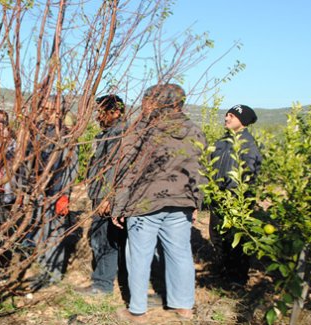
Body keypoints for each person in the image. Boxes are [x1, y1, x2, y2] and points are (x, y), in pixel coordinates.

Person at [111, 83, 205, 322]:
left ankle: (138, 310)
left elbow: (126, 169)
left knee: (139, 256)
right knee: (180, 253)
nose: (144, 104)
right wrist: (196, 202)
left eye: (147, 100)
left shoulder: (143, 129)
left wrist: (119, 205)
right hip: (181, 201)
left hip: (144, 202)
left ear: (156, 102)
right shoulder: (194, 130)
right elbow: (199, 170)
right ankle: (183, 307)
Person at [76, 95, 127, 296]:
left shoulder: (119, 135)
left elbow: (114, 169)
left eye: (101, 111)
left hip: (107, 198)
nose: (98, 116)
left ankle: (102, 285)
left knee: (105, 240)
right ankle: (109, 280)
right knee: (106, 239)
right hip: (102, 195)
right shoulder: (107, 134)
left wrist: (107, 197)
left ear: (115, 112)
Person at [26, 95, 77, 288]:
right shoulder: (39, 132)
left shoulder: (66, 135)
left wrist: (64, 194)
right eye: (45, 108)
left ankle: (52, 276)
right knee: (40, 232)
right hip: (39, 191)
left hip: (56, 192)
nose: (48, 112)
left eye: (52, 109)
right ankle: (43, 271)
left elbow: (71, 166)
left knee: (54, 234)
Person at [209, 104, 262, 285]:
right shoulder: (221, 142)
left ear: (243, 121)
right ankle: (223, 272)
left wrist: (239, 197)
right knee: (217, 235)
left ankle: (237, 278)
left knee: (236, 238)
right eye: (226, 115)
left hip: (236, 199)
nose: (227, 118)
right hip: (218, 198)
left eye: (231, 115)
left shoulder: (249, 144)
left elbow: (251, 174)